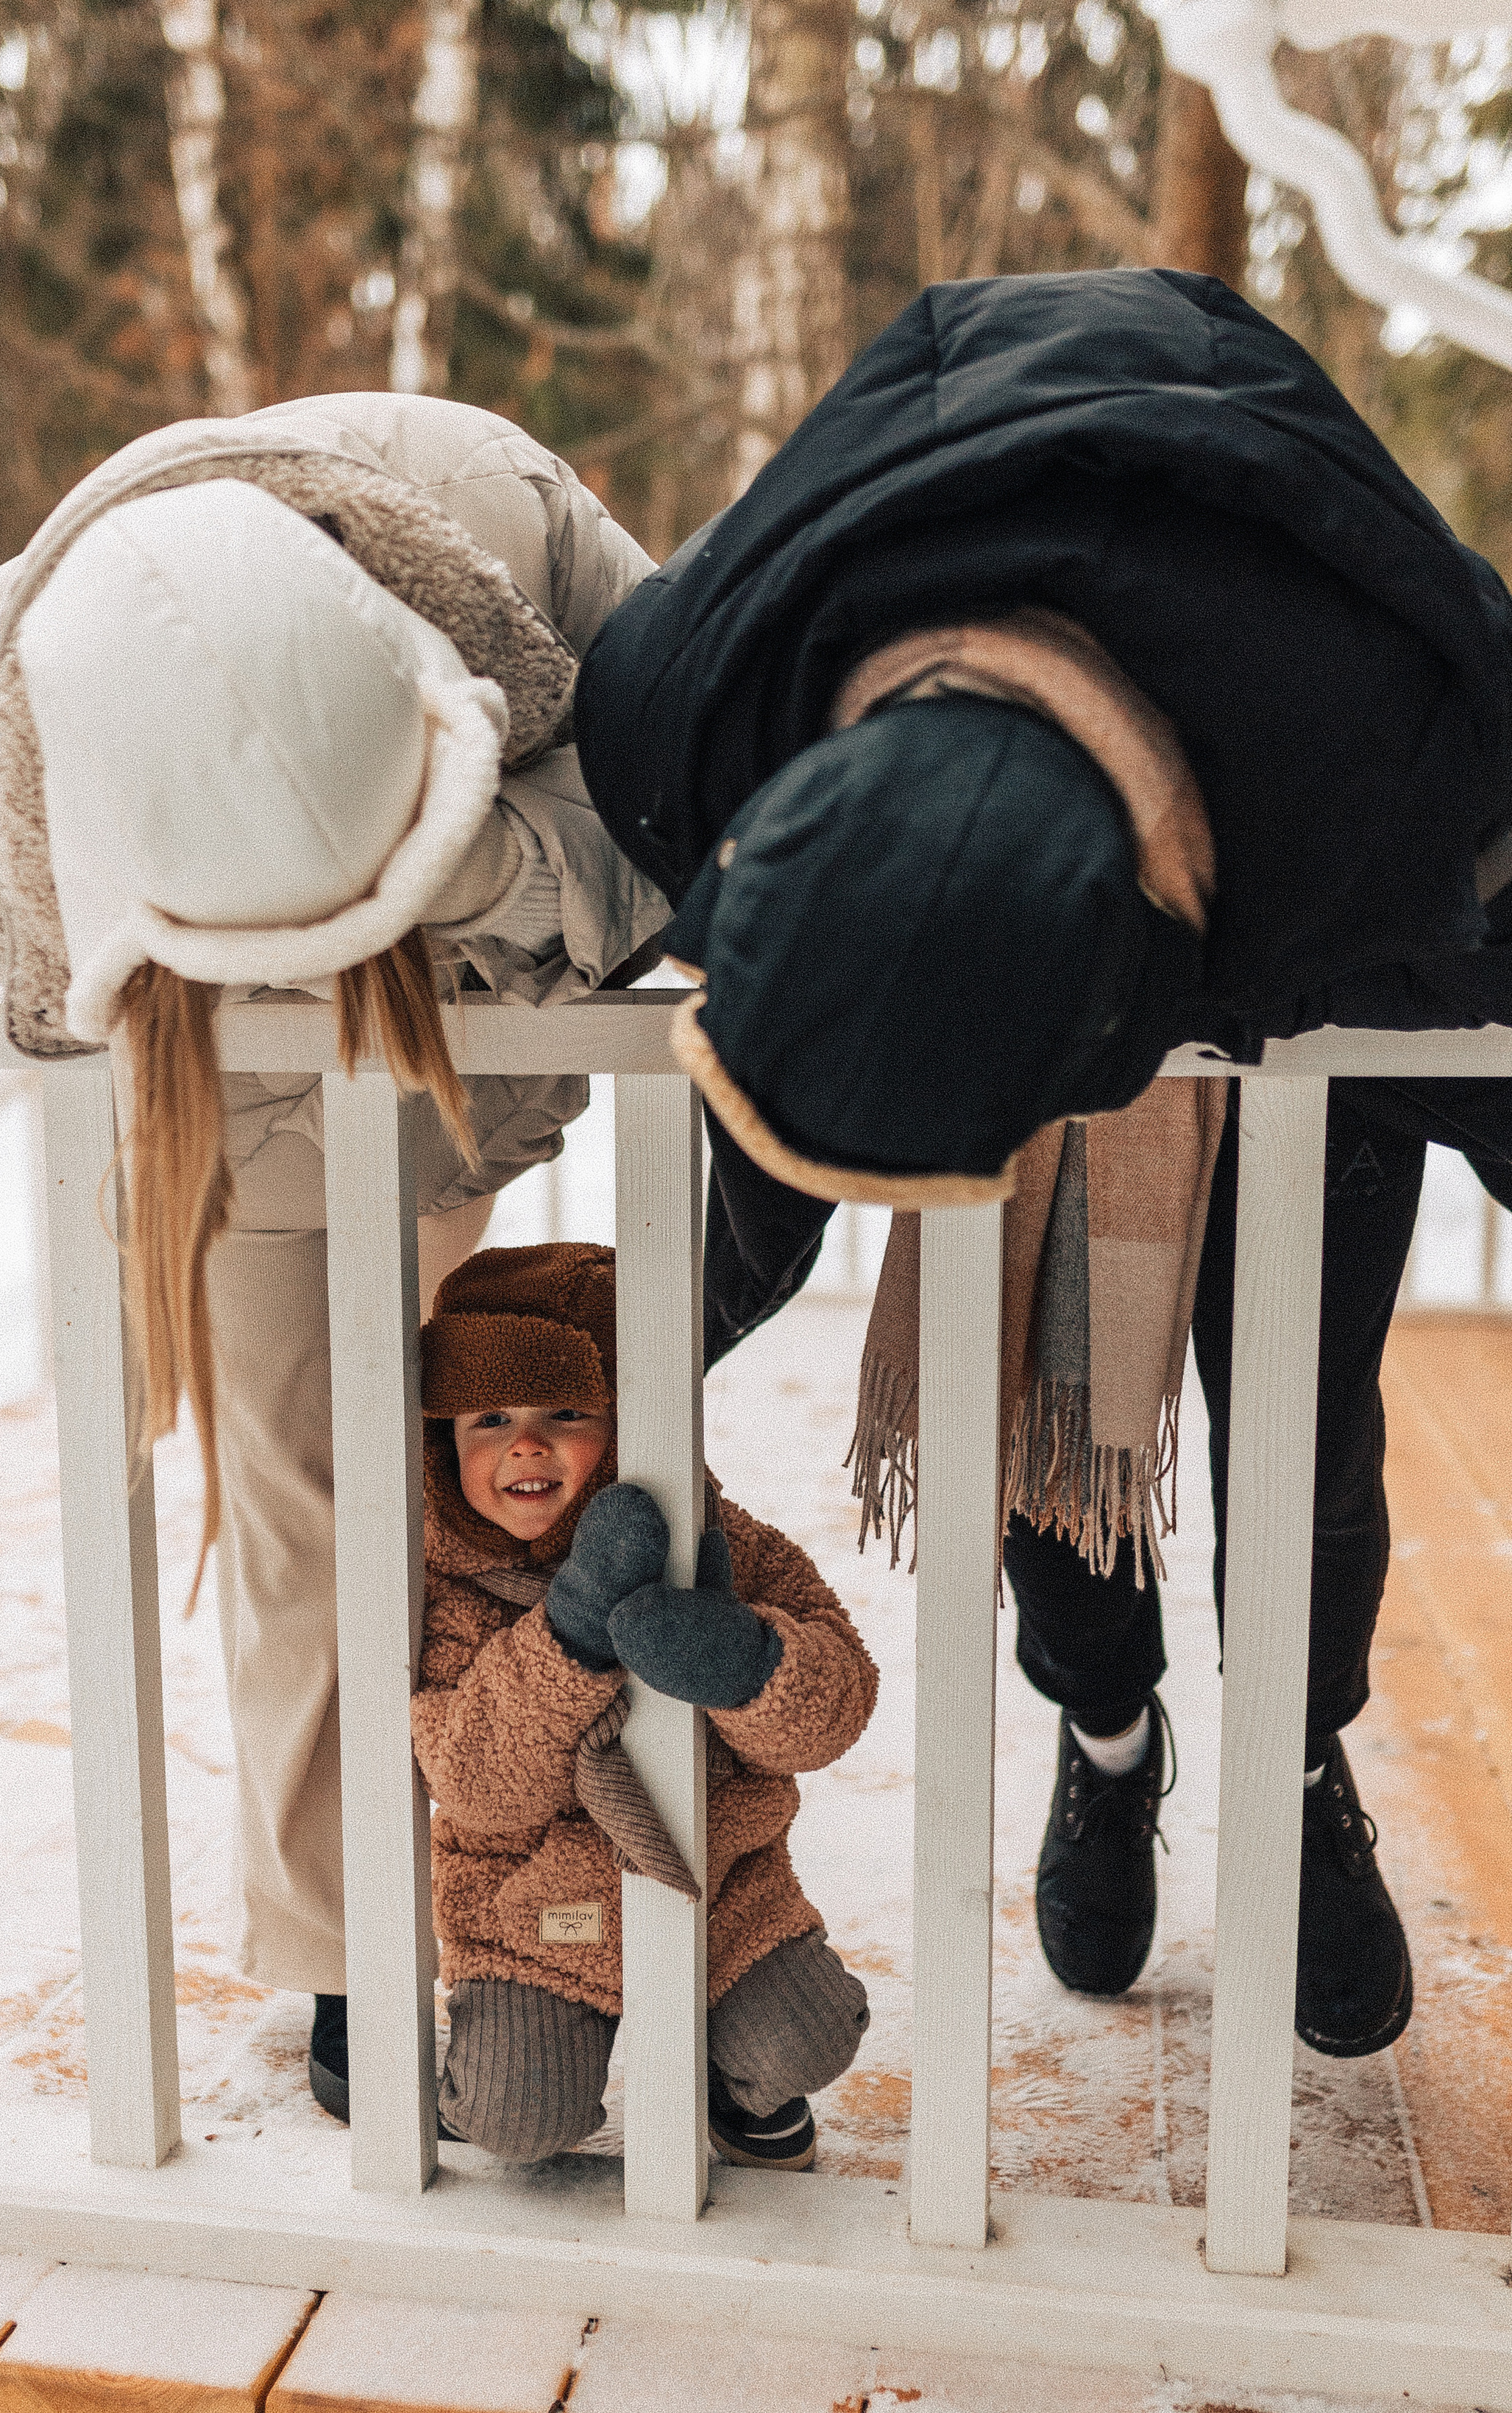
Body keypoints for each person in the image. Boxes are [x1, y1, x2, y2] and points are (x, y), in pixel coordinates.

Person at [573, 266, 1512, 2063]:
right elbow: (775, 1109)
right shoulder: (687, 709)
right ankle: (1107, 1741)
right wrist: (625, 1363)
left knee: (1295, 1424)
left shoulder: (1421, 768)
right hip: (948, 758)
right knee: (1031, 1401)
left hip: (1307, 949)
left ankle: (1296, 1764)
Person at [0, 395, 669, 2119]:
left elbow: (697, 817)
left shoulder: (516, 534)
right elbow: (58, 993)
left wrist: (463, 867)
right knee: (305, 1490)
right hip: (210, 1069)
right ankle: (343, 1940)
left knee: (467, 1455)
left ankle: (519, 1851)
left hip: (470, 1023)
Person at [414, 1242, 876, 2166]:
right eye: (490, 1418)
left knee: (809, 2037)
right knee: (518, 2121)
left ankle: (725, 2079)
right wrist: (570, 1635)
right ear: (441, 1440)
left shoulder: (713, 1537)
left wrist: (747, 1662)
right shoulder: (444, 1586)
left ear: (628, 1425)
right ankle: (478, 2077)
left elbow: (839, 1692)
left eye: (568, 1413)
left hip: (722, 1888)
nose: (527, 1445)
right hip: (530, 1915)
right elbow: (478, 1785)